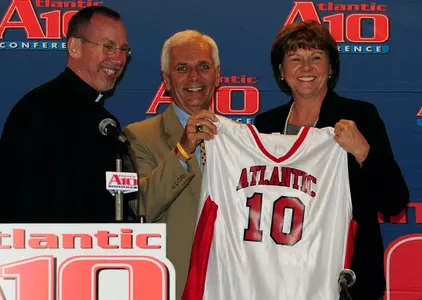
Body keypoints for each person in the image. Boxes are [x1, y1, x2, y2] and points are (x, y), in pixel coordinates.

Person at [253, 20, 409, 299]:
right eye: (295, 59)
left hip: (346, 273)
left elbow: (394, 201)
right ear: (281, 70)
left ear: (331, 67)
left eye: (316, 57)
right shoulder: (265, 124)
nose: (306, 68)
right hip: (279, 272)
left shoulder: (360, 116)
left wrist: (363, 152)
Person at [0, 6, 137, 222]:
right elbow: (18, 207)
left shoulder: (106, 123)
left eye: (124, 50)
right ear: (74, 47)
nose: (119, 59)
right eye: (108, 47)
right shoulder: (35, 111)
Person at [123, 30, 220, 299]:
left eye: (203, 66)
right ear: (166, 81)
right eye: (181, 68)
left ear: (218, 75)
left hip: (231, 283)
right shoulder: (139, 136)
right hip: (173, 285)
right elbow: (143, 206)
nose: (194, 77)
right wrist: (183, 149)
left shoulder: (240, 138)